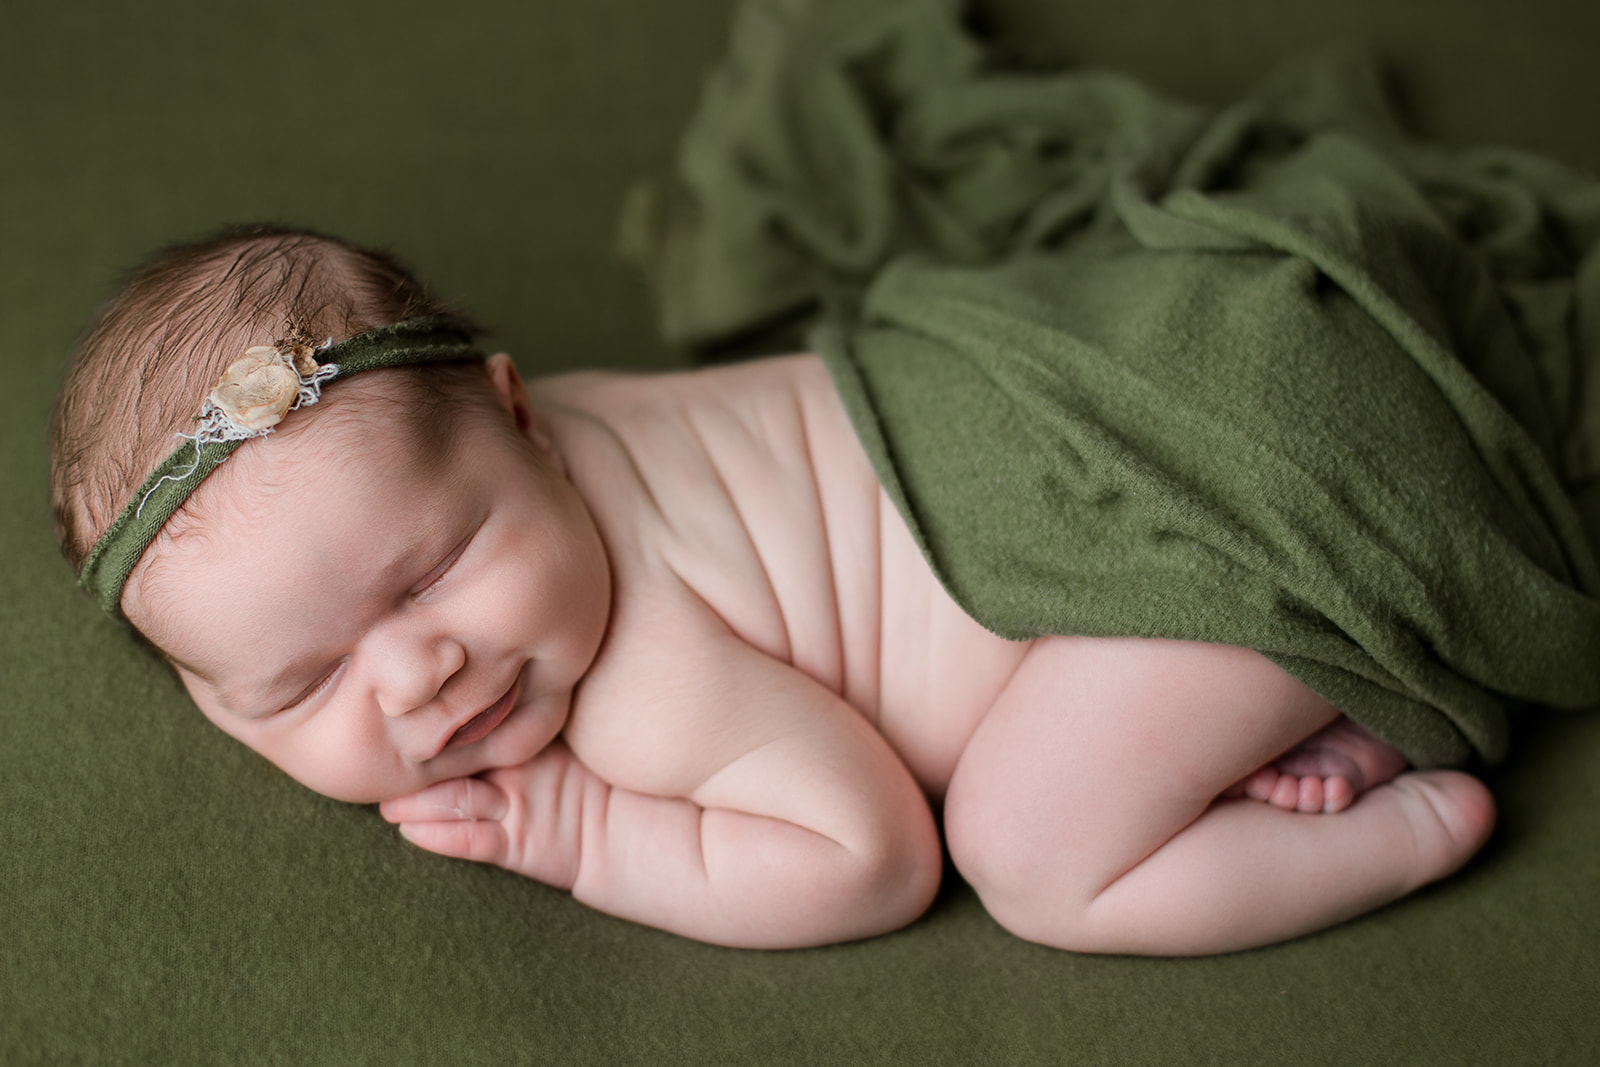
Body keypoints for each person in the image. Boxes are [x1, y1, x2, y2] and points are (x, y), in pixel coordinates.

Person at [49, 224, 1498, 955]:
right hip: (1188, 391)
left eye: (433, 572)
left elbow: (870, 858)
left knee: (1034, 852)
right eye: (302, 685)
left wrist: (584, 828)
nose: (416, 677)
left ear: (519, 417)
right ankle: (1290, 706)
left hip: (1212, 526)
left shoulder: (643, 693)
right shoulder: (537, 432)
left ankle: (1414, 819)